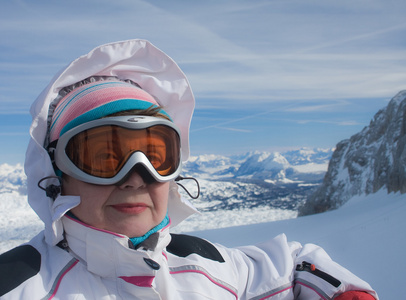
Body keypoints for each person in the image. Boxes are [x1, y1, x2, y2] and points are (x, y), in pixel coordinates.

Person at [0, 39, 378, 299]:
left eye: (154, 153)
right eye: (103, 157)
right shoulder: (18, 285)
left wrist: (342, 291)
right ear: (56, 173)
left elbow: (294, 265)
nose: (136, 175)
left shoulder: (204, 266)